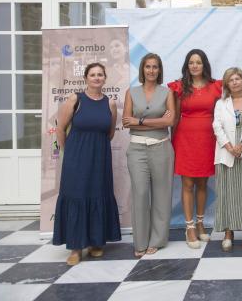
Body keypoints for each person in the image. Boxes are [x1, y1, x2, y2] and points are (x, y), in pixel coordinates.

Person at [53, 62, 121, 265]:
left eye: (100, 74)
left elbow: (109, 134)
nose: (97, 78)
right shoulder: (76, 99)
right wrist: (71, 152)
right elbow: (60, 129)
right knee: (77, 196)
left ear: (105, 78)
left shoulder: (109, 103)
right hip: (76, 158)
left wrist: (94, 148)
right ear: (86, 78)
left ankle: (95, 243)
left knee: (98, 194)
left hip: (100, 158)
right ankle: (75, 248)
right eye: (93, 74)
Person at [122, 54, 175, 257]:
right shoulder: (132, 92)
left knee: (162, 194)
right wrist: (155, 121)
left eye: (155, 67)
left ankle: (158, 240)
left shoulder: (167, 92)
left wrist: (140, 121)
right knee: (141, 194)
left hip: (161, 148)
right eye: (148, 67)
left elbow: (169, 122)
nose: (151, 70)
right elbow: (126, 122)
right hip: (136, 150)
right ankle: (140, 241)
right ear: (142, 69)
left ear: (160, 70)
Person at [168, 49, 222, 248]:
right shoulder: (179, 87)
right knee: (187, 184)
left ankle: (200, 224)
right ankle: (189, 227)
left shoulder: (216, 86)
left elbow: (221, 114)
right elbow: (174, 116)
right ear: (187, 65)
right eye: (191, 62)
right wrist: (170, 141)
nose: (195, 65)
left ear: (204, 64)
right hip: (185, 139)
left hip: (208, 139)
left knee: (202, 183)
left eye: (198, 62)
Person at [212, 68, 242, 252]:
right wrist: (230, 147)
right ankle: (228, 233)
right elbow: (216, 126)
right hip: (227, 154)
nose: (234, 82)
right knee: (226, 196)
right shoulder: (221, 103)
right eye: (230, 79)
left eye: (237, 78)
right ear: (226, 84)